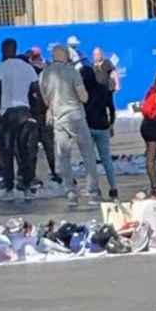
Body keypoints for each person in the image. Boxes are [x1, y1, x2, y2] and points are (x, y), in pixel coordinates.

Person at [40, 45, 100, 206]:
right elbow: (84, 97)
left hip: (58, 119)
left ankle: (71, 193)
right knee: (88, 155)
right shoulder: (72, 72)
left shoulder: (44, 74)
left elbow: (45, 100)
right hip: (76, 116)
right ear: (65, 56)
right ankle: (93, 191)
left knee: (64, 157)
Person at [0, 38, 42, 201]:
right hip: (25, 112)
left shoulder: (0, 67)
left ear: (4, 50)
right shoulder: (28, 68)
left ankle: (9, 188)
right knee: (24, 151)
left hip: (8, 113)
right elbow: (36, 90)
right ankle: (26, 186)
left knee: (7, 151)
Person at [82, 65, 118, 200]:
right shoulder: (103, 89)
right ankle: (113, 187)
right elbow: (112, 109)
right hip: (103, 126)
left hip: (88, 127)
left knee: (90, 160)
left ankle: (93, 188)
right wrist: (111, 124)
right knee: (106, 159)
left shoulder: (83, 92)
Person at [27, 48, 59, 185]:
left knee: (35, 148)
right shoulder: (46, 72)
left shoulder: (31, 73)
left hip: (37, 115)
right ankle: (53, 172)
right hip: (40, 114)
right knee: (46, 147)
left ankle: (34, 175)